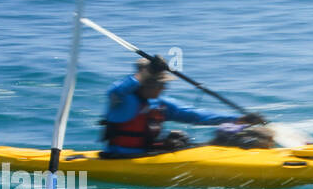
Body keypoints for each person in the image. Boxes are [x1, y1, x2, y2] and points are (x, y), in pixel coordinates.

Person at [102, 55, 262, 156]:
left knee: (222, 137)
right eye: (160, 84)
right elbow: (115, 91)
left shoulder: (160, 103)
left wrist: (240, 119)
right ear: (145, 84)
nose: (164, 88)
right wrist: (148, 71)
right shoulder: (123, 101)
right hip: (121, 157)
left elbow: (196, 115)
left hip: (151, 153)